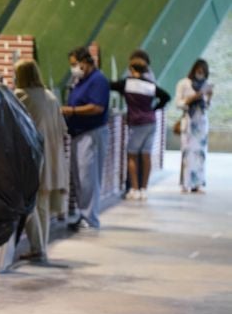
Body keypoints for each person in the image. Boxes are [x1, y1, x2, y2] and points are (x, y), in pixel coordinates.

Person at [14, 60, 68, 262]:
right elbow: (63, 129)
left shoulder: (20, 96)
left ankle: (37, 247)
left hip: (32, 157)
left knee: (27, 203)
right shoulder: (51, 97)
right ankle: (41, 247)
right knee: (42, 205)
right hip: (53, 156)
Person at [61, 46, 110, 231]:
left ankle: (90, 218)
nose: (73, 68)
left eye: (75, 64)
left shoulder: (98, 81)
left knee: (88, 176)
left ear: (85, 62)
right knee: (80, 176)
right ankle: (83, 214)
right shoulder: (81, 81)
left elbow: (97, 107)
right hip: (79, 133)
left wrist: (72, 110)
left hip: (92, 133)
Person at [110, 62, 170, 200]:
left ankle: (134, 188)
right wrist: (154, 108)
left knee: (132, 155)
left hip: (137, 123)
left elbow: (110, 85)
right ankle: (144, 189)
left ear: (131, 70)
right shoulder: (149, 85)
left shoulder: (128, 83)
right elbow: (166, 96)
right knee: (146, 155)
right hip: (151, 122)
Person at [175, 59, 213, 193]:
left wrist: (209, 97)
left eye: (203, 71)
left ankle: (197, 183)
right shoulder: (184, 84)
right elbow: (178, 103)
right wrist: (192, 98)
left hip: (201, 123)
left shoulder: (206, 85)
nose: (200, 73)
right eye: (198, 70)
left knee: (200, 153)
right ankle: (185, 183)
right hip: (189, 121)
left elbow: (207, 107)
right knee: (187, 152)